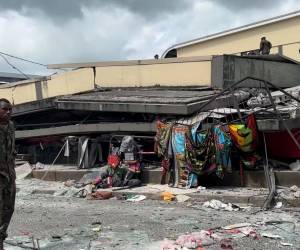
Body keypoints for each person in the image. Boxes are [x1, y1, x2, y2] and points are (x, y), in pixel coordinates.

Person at [0, 98, 16, 250]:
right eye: (5, 109)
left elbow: (12, 149)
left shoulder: (11, 126)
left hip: (10, 175)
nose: (8, 112)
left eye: (10, 109)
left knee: (9, 209)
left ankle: (1, 239)